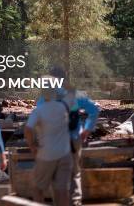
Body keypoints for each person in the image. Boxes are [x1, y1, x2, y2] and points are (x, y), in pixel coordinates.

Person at [42, 66, 99, 206]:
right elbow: (94, 110)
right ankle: (75, 202)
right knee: (74, 173)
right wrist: (86, 130)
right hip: (74, 138)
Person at [25, 88, 73, 206]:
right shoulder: (64, 108)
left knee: (37, 188)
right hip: (65, 153)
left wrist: (32, 145)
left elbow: (28, 128)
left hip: (46, 154)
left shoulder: (39, 111)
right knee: (62, 190)